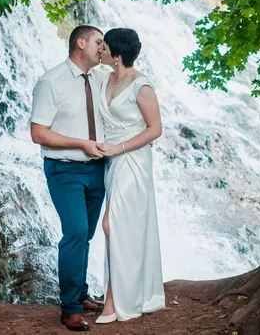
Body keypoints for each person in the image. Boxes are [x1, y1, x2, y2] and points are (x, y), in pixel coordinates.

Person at [30, 25, 107, 332]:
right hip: (65, 170)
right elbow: (38, 133)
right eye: (99, 42)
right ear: (81, 43)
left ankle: (82, 293)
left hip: (98, 169)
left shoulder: (100, 79)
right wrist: (80, 143)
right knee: (75, 232)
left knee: (85, 235)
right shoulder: (52, 81)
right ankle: (70, 309)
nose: (103, 48)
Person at [95, 28, 165, 324]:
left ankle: (113, 301)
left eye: (105, 46)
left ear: (118, 54)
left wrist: (119, 147)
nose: (100, 49)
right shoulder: (105, 78)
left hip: (133, 160)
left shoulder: (142, 86)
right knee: (124, 228)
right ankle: (128, 293)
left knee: (111, 223)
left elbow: (155, 130)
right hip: (112, 162)